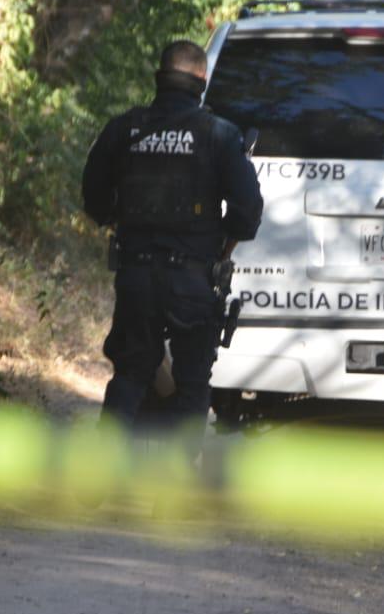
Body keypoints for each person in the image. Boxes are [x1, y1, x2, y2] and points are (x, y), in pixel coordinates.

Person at [82, 40, 263, 436]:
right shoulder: (219, 134)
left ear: (160, 78)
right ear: (202, 81)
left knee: (130, 373)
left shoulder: (124, 128)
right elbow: (248, 212)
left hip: (136, 275)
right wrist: (223, 247)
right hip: (193, 283)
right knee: (193, 383)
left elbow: (93, 196)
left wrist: (119, 222)